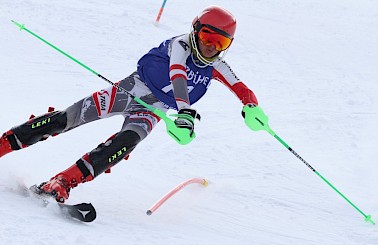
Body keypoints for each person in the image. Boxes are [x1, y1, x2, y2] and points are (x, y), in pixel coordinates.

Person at [0, 5, 267, 203]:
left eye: (220, 42)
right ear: (195, 31)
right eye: (208, 36)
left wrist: (251, 106)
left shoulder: (216, 64)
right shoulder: (180, 45)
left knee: (124, 144)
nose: (211, 46)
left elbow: (241, 87)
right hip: (130, 91)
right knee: (66, 119)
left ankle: (62, 182)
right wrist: (185, 109)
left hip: (154, 111)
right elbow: (177, 73)